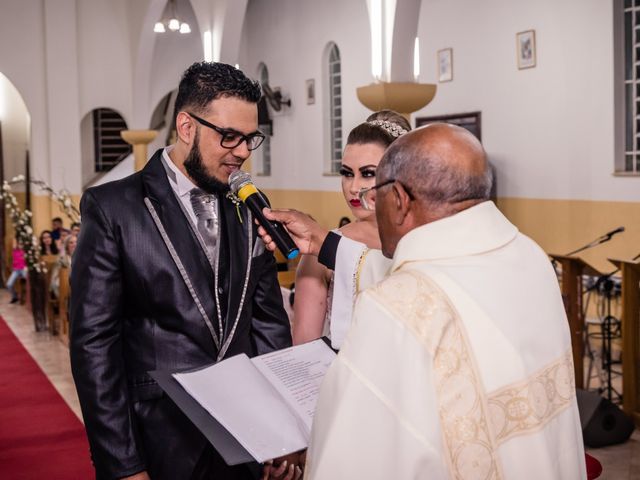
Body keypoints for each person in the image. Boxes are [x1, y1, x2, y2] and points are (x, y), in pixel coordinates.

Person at [259, 124, 586, 479]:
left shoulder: (394, 307)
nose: (364, 198)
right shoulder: (527, 255)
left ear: (398, 199)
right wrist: (325, 243)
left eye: (375, 191)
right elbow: (415, 275)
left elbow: (351, 453)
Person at [70, 61, 293, 480]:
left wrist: (281, 434)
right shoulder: (113, 208)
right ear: (186, 126)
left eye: (250, 139)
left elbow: (268, 326)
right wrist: (123, 464)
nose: (243, 152)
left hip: (244, 443)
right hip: (159, 439)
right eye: (229, 136)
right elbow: (93, 346)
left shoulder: (250, 204)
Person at [293, 110, 410, 348]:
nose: (354, 187)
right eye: (347, 174)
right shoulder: (321, 250)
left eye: (368, 174)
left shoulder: (422, 241)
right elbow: (305, 351)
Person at [49, 234, 77, 299]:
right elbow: (54, 277)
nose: (74, 244)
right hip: (65, 285)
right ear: (67, 245)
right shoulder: (61, 258)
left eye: (76, 242)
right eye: (71, 243)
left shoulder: (83, 257)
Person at [7, 238, 27, 304]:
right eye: (19, 244)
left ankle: (25, 298)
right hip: (16, 270)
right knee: (9, 284)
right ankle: (15, 296)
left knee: (26, 279)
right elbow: (14, 240)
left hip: (24, 269)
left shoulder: (26, 252)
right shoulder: (15, 250)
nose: (20, 245)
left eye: (22, 244)